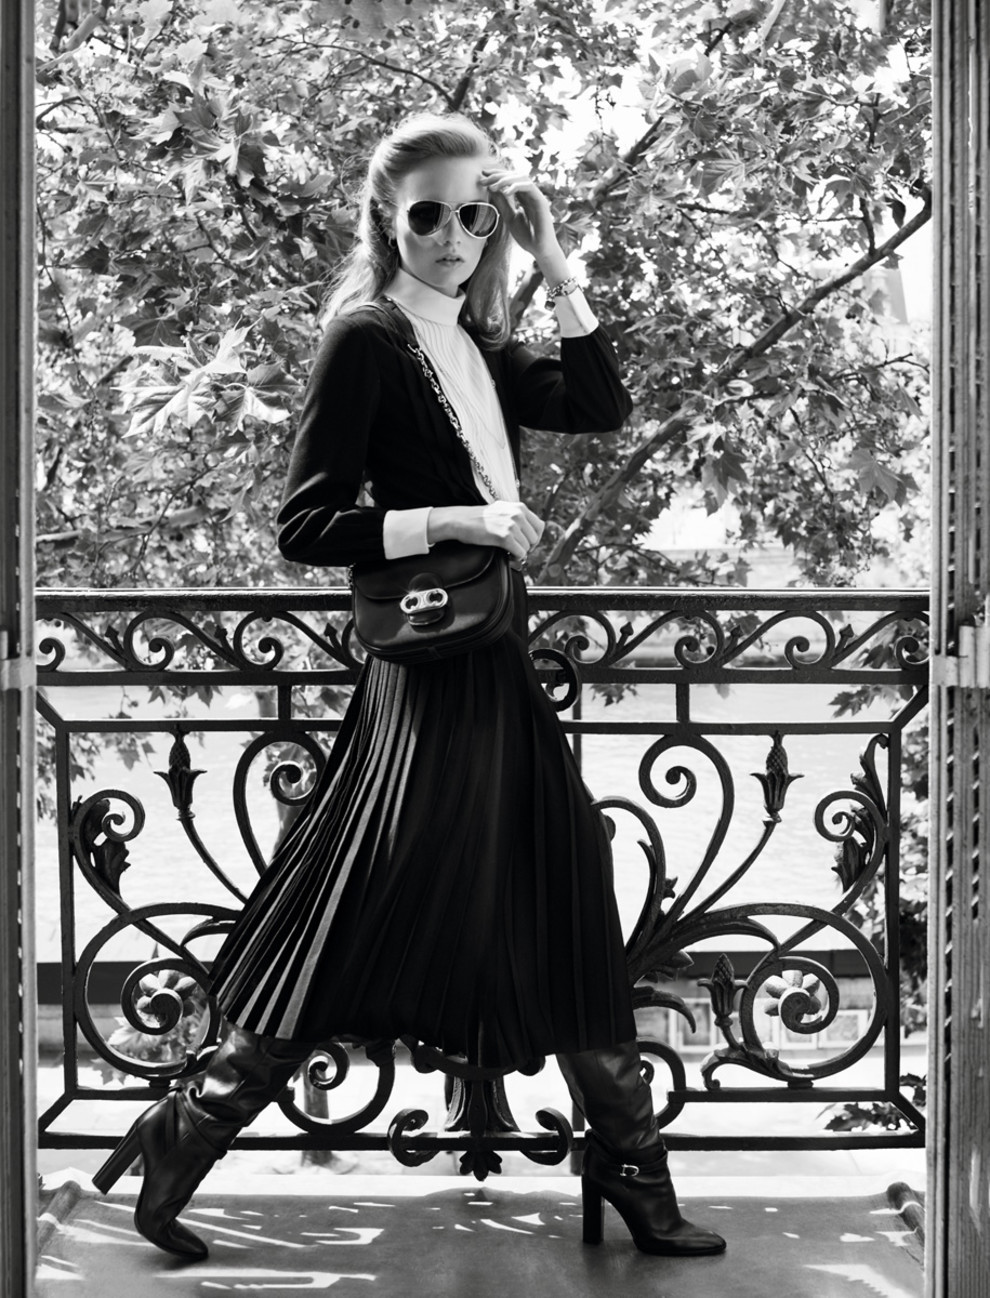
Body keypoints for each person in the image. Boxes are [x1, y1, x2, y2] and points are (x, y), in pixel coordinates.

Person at [93, 111, 726, 1265]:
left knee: (567, 884)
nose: (450, 234)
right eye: (427, 213)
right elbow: (305, 524)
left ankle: (633, 1166)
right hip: (431, 678)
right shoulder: (367, 340)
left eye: (473, 214)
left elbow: (600, 403)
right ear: (389, 220)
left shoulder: (477, 340)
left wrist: (554, 258)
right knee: (366, 911)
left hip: (496, 669)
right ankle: (187, 1127)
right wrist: (459, 519)